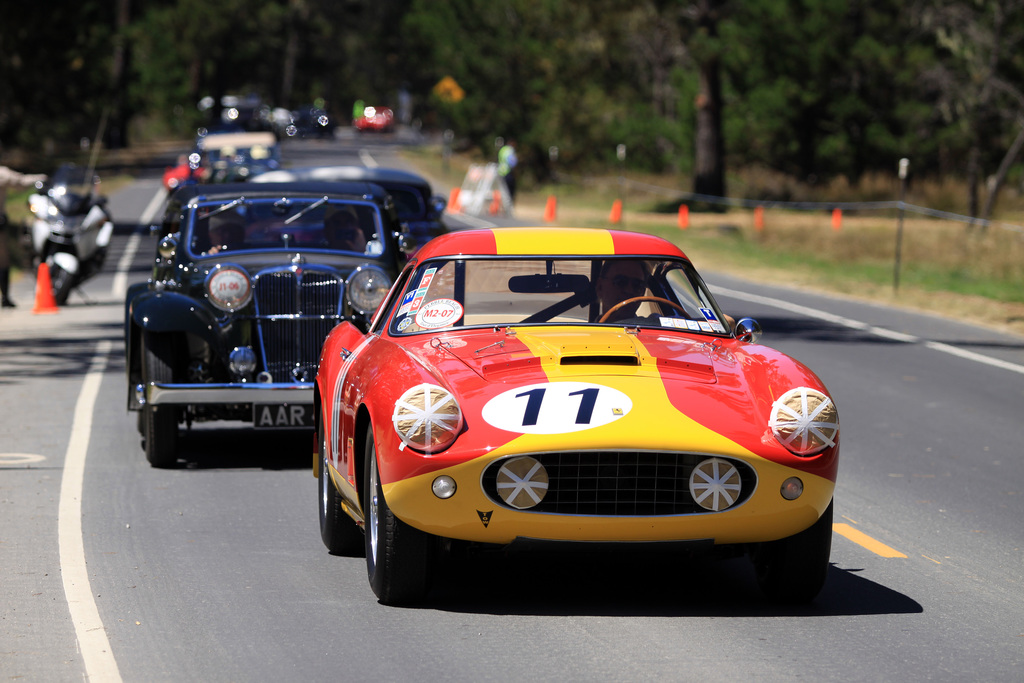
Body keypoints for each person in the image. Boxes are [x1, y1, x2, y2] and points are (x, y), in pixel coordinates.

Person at [0, 165, 48, 308]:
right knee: (2, 260)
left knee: (3, 260)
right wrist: (41, 178)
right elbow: (21, 182)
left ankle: (5, 297)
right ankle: (5, 297)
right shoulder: (2, 174)